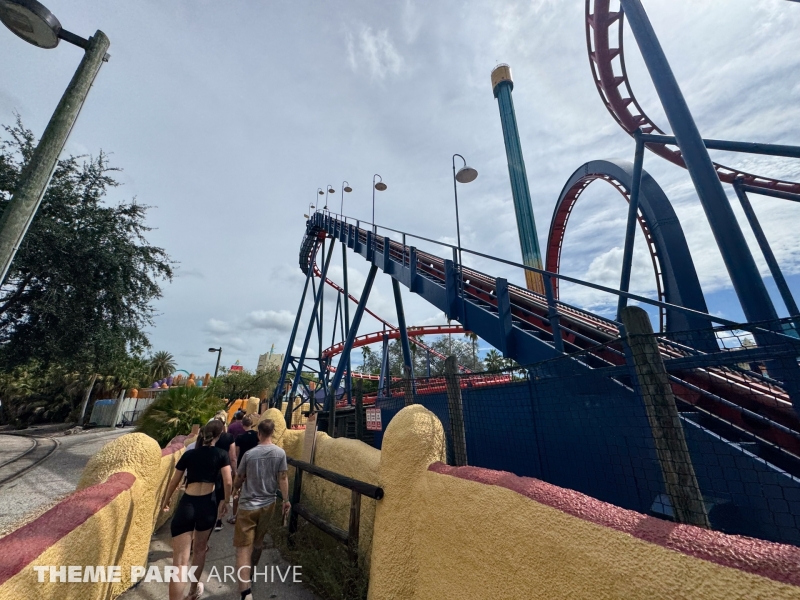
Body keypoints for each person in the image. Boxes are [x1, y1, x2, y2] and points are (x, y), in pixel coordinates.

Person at [161, 420, 232, 600]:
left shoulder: (189, 454)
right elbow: (228, 481)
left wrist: (165, 500)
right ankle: (193, 591)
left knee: (179, 563)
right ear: (219, 435)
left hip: (188, 504)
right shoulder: (222, 454)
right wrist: (225, 501)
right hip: (207, 505)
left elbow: (174, 481)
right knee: (200, 550)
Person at [232, 419, 290, 600]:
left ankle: (245, 592)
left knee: (243, 548)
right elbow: (283, 478)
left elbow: (240, 476)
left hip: (248, 504)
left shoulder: (250, 454)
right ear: (272, 433)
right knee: (258, 542)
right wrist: (286, 500)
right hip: (268, 504)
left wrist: (235, 489)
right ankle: (251, 571)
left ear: (259, 433)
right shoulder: (280, 453)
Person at [227, 413, 260, 525]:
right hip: (254, 466)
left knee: (237, 491)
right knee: (252, 491)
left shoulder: (240, 438)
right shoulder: (257, 435)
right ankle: (250, 516)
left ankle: (235, 515)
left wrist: (235, 469)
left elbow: (236, 453)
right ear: (252, 424)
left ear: (242, 424)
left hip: (242, 465)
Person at [211, 413, 237, 531]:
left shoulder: (209, 436)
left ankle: (210, 517)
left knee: (211, 493)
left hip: (211, 468)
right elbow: (232, 457)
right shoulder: (229, 437)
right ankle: (218, 520)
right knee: (221, 496)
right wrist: (234, 471)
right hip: (224, 469)